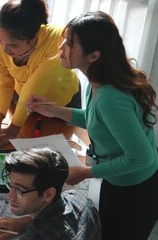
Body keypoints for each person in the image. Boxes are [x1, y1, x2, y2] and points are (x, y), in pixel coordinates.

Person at [28, 11, 158, 240]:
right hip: (119, 179)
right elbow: (97, 119)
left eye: (69, 45)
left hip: (135, 189)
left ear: (93, 55)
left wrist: (87, 172)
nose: (61, 49)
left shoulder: (110, 97)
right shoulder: (98, 81)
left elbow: (141, 158)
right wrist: (54, 110)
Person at [0, 0, 80, 149]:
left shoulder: (57, 40)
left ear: (34, 37)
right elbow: (5, 83)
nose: (4, 49)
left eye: (13, 45)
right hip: (22, 100)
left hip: (62, 101)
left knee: (59, 145)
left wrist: (13, 130)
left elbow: (35, 87)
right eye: (0, 39)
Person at [0, 147, 101, 240]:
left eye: (19, 190)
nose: (9, 196)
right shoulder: (79, 199)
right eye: (11, 185)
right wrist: (27, 222)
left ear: (48, 194)